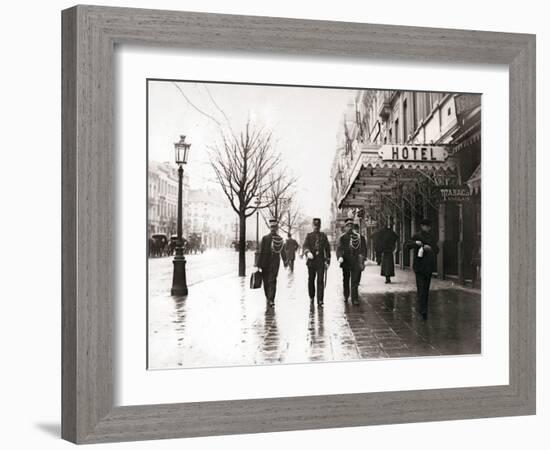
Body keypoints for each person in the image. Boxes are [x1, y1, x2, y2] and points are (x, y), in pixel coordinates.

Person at [404, 218, 439, 320]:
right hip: (419, 267)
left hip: (428, 266)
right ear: (422, 226)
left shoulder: (432, 237)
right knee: (421, 288)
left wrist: (431, 249)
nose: (428, 228)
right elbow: (406, 246)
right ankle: (423, 310)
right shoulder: (417, 236)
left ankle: (424, 309)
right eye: (426, 226)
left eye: (429, 226)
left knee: (426, 289)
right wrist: (415, 243)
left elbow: (437, 249)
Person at [336, 219, 367, 305]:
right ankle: (346, 295)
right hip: (346, 262)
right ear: (345, 227)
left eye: (351, 226)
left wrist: (362, 257)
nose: (349, 228)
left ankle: (355, 299)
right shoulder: (342, 238)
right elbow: (339, 249)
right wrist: (340, 257)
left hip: (356, 261)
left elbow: (364, 249)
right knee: (346, 279)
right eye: (348, 226)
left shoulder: (360, 237)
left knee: (355, 281)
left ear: (353, 227)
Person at [256, 218, 285, 308]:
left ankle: (271, 299)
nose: (273, 228)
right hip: (265, 263)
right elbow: (261, 252)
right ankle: (268, 297)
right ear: (270, 227)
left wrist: (285, 260)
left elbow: (282, 251)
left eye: (274, 227)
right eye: (271, 227)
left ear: (276, 227)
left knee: (272, 281)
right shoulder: (265, 238)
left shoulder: (280, 239)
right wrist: (258, 265)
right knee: (266, 282)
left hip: (275, 263)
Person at [303, 218, 331, 307]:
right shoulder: (309, 235)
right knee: (311, 280)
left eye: (318, 226)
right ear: (312, 226)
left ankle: (320, 300)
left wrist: (327, 261)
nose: (316, 227)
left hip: (320, 262)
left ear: (320, 226)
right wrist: (307, 252)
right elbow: (305, 246)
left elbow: (327, 249)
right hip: (311, 261)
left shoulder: (323, 236)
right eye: (315, 226)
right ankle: (311, 296)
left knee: (320, 281)